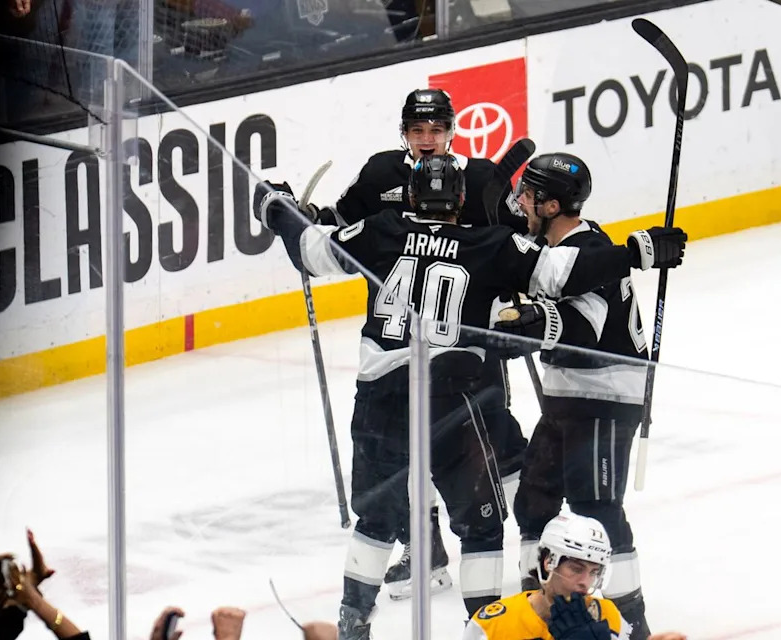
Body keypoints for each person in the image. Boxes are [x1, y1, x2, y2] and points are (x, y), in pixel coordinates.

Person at [254, 154, 686, 639]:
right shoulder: (489, 244)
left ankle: (352, 620)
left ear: (410, 196)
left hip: (380, 396)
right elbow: (563, 273)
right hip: (450, 398)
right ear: (462, 201)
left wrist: (277, 208)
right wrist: (636, 252)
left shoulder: (379, 229)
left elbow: (310, 250)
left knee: (377, 516)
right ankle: (487, 627)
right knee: (481, 524)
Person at [306, 87, 530, 601]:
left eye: (436, 130)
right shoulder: (380, 173)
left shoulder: (479, 178)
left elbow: (522, 238)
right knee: (409, 457)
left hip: (466, 344)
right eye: (417, 130)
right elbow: (342, 223)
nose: (427, 140)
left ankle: (534, 545)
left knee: (498, 441)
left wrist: (502, 215)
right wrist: (307, 217)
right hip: (401, 341)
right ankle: (424, 552)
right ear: (404, 133)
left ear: (451, 131)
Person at [490, 153, 653, 639]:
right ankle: (536, 605)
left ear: (552, 205)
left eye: (528, 194)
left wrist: (535, 323)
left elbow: (586, 330)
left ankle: (633, 623)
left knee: (597, 509)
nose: (520, 201)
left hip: (606, 396)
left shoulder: (590, 249)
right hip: (569, 395)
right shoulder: (553, 245)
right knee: (534, 501)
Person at [462, 513, 687, 640]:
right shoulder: (493, 625)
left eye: (594, 572)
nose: (585, 583)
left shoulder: (606, 615)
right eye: (576, 569)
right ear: (548, 562)